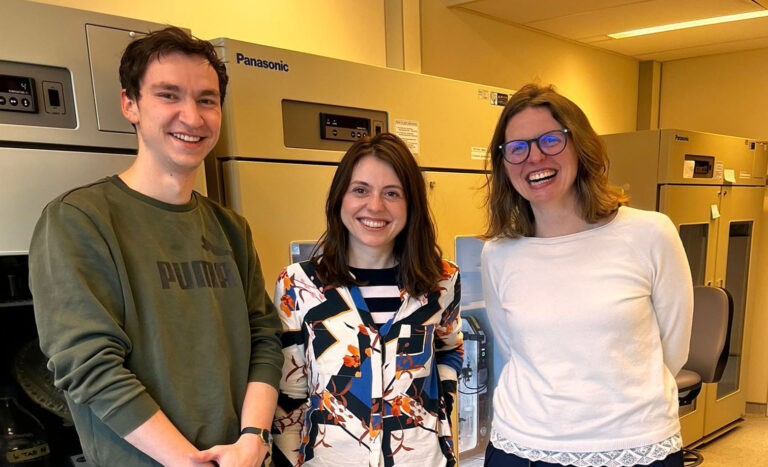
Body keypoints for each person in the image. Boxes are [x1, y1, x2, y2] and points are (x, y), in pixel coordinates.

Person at [29, 27, 283, 466]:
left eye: (207, 100)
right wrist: (187, 461)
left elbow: (265, 339)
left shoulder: (231, 229)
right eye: (169, 95)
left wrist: (253, 438)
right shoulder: (77, 220)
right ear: (130, 104)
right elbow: (89, 366)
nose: (192, 116)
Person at [481, 84, 693, 467]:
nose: (534, 157)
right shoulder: (499, 253)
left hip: (633, 446)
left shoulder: (650, 234)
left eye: (550, 140)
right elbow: (513, 349)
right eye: (517, 148)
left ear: (580, 146)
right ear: (504, 163)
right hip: (522, 448)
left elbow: (672, 349)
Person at [270, 133, 463, 466]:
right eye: (360, 190)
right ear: (339, 199)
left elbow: (450, 348)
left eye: (392, 193)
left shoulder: (442, 281)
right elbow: (290, 397)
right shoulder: (299, 284)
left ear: (411, 205)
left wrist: (438, 412)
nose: (375, 206)